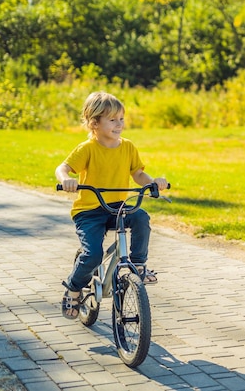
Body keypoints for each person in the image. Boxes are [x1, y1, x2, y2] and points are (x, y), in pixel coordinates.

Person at [56, 91, 168, 319]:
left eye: (122, 118)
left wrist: (153, 183)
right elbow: (62, 168)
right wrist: (66, 180)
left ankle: (138, 265)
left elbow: (137, 173)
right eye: (113, 119)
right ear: (94, 123)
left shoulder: (127, 147)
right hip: (90, 210)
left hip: (118, 206)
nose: (120, 124)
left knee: (141, 218)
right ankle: (74, 287)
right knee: (93, 254)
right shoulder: (87, 148)